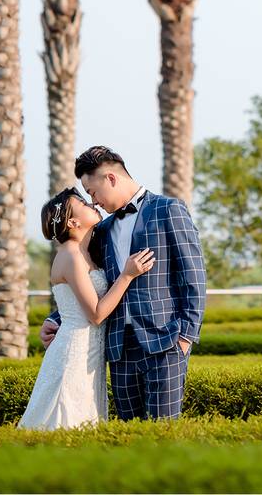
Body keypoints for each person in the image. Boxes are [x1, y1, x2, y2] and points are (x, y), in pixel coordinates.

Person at [39, 146, 206, 421]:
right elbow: (91, 282)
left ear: (111, 179)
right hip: (118, 348)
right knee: (128, 432)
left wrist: (185, 338)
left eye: (93, 192)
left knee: (163, 431)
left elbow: (194, 278)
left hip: (165, 343)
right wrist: (57, 318)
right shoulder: (101, 230)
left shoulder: (169, 210)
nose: (93, 202)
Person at [18, 187, 154, 430]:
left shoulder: (86, 252)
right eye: (82, 203)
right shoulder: (71, 255)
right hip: (75, 353)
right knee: (66, 419)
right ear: (73, 222)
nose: (91, 203)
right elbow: (96, 314)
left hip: (91, 352)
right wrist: (127, 275)